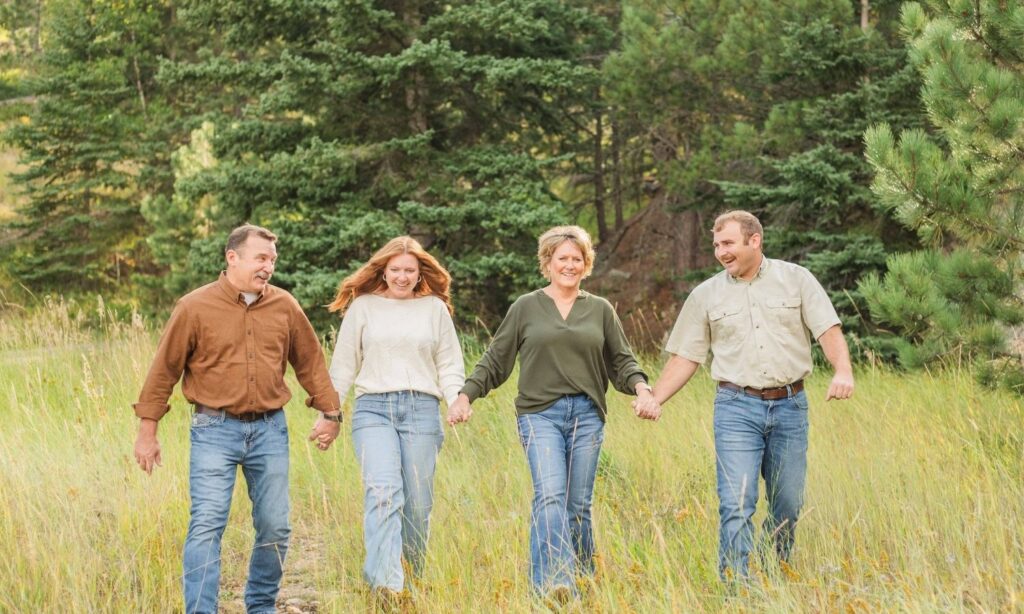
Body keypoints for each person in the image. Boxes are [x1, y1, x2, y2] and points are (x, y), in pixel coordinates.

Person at [132, 224, 342, 614]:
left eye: (273, 261)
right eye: (261, 258)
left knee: (276, 525)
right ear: (233, 257)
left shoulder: (285, 306)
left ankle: (261, 606)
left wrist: (331, 413)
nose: (269, 267)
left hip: (270, 429)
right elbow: (164, 370)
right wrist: (148, 431)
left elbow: (310, 362)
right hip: (214, 430)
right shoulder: (194, 307)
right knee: (208, 523)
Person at [634, 210, 854, 580]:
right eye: (717, 244)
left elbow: (827, 329)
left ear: (755, 241)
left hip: (790, 406)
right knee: (736, 503)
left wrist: (843, 370)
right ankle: (736, 585)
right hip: (736, 408)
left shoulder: (796, 279)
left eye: (728, 243)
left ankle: (773, 570)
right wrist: (654, 396)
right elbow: (687, 355)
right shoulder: (706, 295)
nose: (721, 252)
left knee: (788, 503)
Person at [446, 225, 660, 601]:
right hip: (539, 413)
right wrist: (466, 396)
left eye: (577, 259)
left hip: (587, 415)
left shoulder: (600, 309)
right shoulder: (526, 307)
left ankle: (583, 583)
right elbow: (495, 361)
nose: (570, 265)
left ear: (586, 263)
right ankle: (551, 585)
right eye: (563, 258)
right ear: (547, 263)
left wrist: (643, 388)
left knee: (578, 505)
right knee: (549, 495)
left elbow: (622, 361)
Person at [322, 236, 465, 602]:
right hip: (373, 410)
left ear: (421, 274)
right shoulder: (364, 307)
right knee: (383, 493)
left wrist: (456, 399)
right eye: (396, 270)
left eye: (410, 271)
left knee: (417, 504)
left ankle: (411, 582)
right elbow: (343, 367)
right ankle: (386, 585)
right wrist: (330, 414)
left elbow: (449, 363)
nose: (402, 277)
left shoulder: (434, 309)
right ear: (383, 270)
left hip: (422, 411)